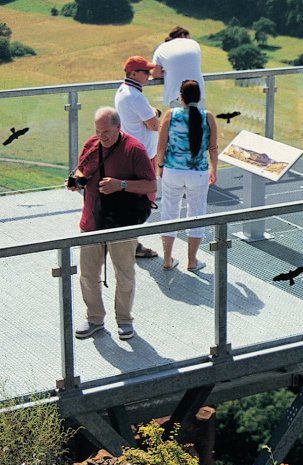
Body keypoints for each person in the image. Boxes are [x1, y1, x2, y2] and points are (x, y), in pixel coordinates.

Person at [68, 107, 156, 341]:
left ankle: (125, 321)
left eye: (106, 131)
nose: (101, 136)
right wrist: (77, 180)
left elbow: (151, 185)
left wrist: (121, 185)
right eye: (98, 131)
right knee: (87, 274)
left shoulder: (134, 150)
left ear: (118, 127)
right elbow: (81, 168)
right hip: (92, 220)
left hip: (122, 222)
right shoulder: (91, 144)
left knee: (124, 273)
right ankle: (94, 319)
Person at [157, 80, 218, 271]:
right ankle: (192, 261)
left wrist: (160, 166)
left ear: (180, 96)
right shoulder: (207, 117)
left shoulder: (170, 115)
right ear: (199, 97)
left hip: (172, 171)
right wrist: (214, 169)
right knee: (196, 213)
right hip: (198, 173)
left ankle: (167, 259)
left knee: (169, 213)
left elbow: (161, 146)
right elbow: (213, 147)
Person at [114, 55, 161, 259]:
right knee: (143, 200)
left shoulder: (124, 90)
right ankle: (131, 245)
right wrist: (155, 112)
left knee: (134, 199)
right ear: (133, 74)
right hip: (143, 155)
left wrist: (151, 112)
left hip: (134, 152)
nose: (149, 75)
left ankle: (128, 242)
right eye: (145, 72)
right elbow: (154, 124)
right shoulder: (136, 96)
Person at [152, 26, 205, 108]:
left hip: (176, 93)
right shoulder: (194, 44)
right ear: (183, 35)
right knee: (198, 119)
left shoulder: (161, 48)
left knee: (179, 119)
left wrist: (167, 72)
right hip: (198, 91)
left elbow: (155, 74)